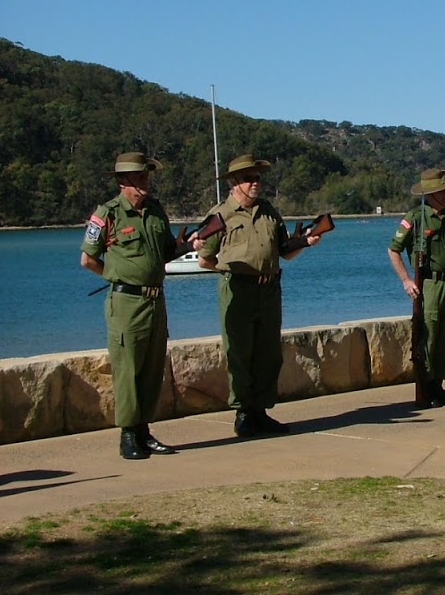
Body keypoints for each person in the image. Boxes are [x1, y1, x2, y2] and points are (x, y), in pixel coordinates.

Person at [195, 154, 320, 437]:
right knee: (239, 353)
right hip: (237, 290)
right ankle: (243, 414)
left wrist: (306, 243)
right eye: (249, 178)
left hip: (269, 290)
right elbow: (204, 259)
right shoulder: (220, 215)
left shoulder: (268, 211)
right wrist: (233, 272)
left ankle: (260, 411)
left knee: (268, 353)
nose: (255, 183)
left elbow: (284, 252)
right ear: (234, 182)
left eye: (258, 178)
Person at [80, 152, 182, 460]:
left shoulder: (154, 211)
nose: (144, 183)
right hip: (126, 302)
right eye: (139, 178)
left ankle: (144, 431)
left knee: (152, 368)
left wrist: (189, 246)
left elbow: (164, 252)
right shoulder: (108, 214)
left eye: (147, 177)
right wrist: (116, 275)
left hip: (155, 299)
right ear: (123, 182)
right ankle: (127, 434)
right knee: (127, 369)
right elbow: (88, 259)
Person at [388, 168, 445, 408]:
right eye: (441, 191)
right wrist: (406, 280)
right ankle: (427, 385)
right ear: (430, 194)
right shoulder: (415, 217)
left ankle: (439, 385)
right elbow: (394, 249)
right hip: (428, 284)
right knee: (428, 335)